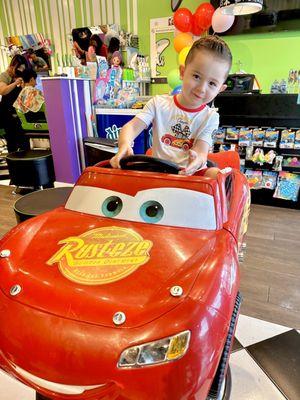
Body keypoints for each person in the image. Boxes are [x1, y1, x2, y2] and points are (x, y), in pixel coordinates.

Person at [110, 35, 232, 177]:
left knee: (215, 175)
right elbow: (131, 127)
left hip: (192, 174)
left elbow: (200, 150)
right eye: (196, 77)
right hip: (160, 173)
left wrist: (197, 159)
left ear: (220, 89)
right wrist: (124, 144)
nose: (202, 88)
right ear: (182, 72)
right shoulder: (158, 104)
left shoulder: (210, 117)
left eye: (212, 84)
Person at [0, 55, 29, 152]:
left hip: (19, 112)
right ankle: (14, 164)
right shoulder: (5, 76)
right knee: (12, 142)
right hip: (7, 112)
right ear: (13, 66)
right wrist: (15, 83)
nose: (21, 70)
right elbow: (3, 91)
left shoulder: (21, 75)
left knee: (24, 140)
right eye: (19, 68)